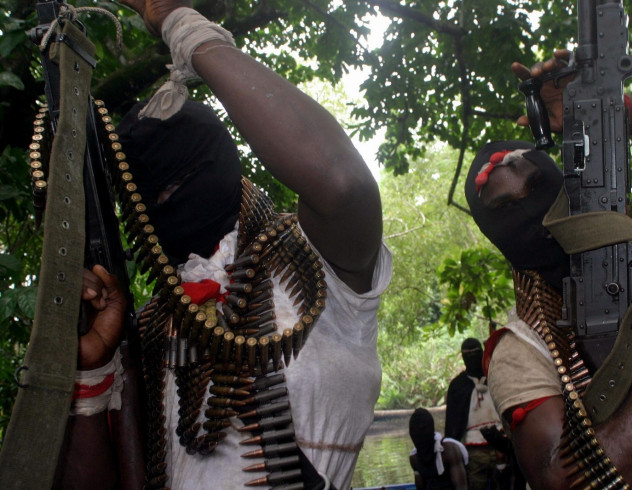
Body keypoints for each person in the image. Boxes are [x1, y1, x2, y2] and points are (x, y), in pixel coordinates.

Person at [54, 0, 392, 489]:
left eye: (183, 174)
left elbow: (341, 184)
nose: (168, 198)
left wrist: (182, 25)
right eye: (152, 193)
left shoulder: (316, 264)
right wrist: (93, 370)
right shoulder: (147, 325)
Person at [465, 49, 632, 489]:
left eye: (536, 185)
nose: (531, 208)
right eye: (505, 208)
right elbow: (566, 480)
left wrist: (609, 108)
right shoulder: (522, 351)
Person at [444, 338, 502, 490]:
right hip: (473, 451)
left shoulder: (495, 377)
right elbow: (452, 424)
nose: (472, 359)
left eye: (476, 354)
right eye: (468, 355)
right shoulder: (458, 386)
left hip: (501, 446)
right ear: (463, 358)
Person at [409, 408, 469, 490]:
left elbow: (461, 487)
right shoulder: (414, 459)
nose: (419, 435)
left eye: (423, 429)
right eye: (414, 431)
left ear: (431, 430)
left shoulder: (449, 450)